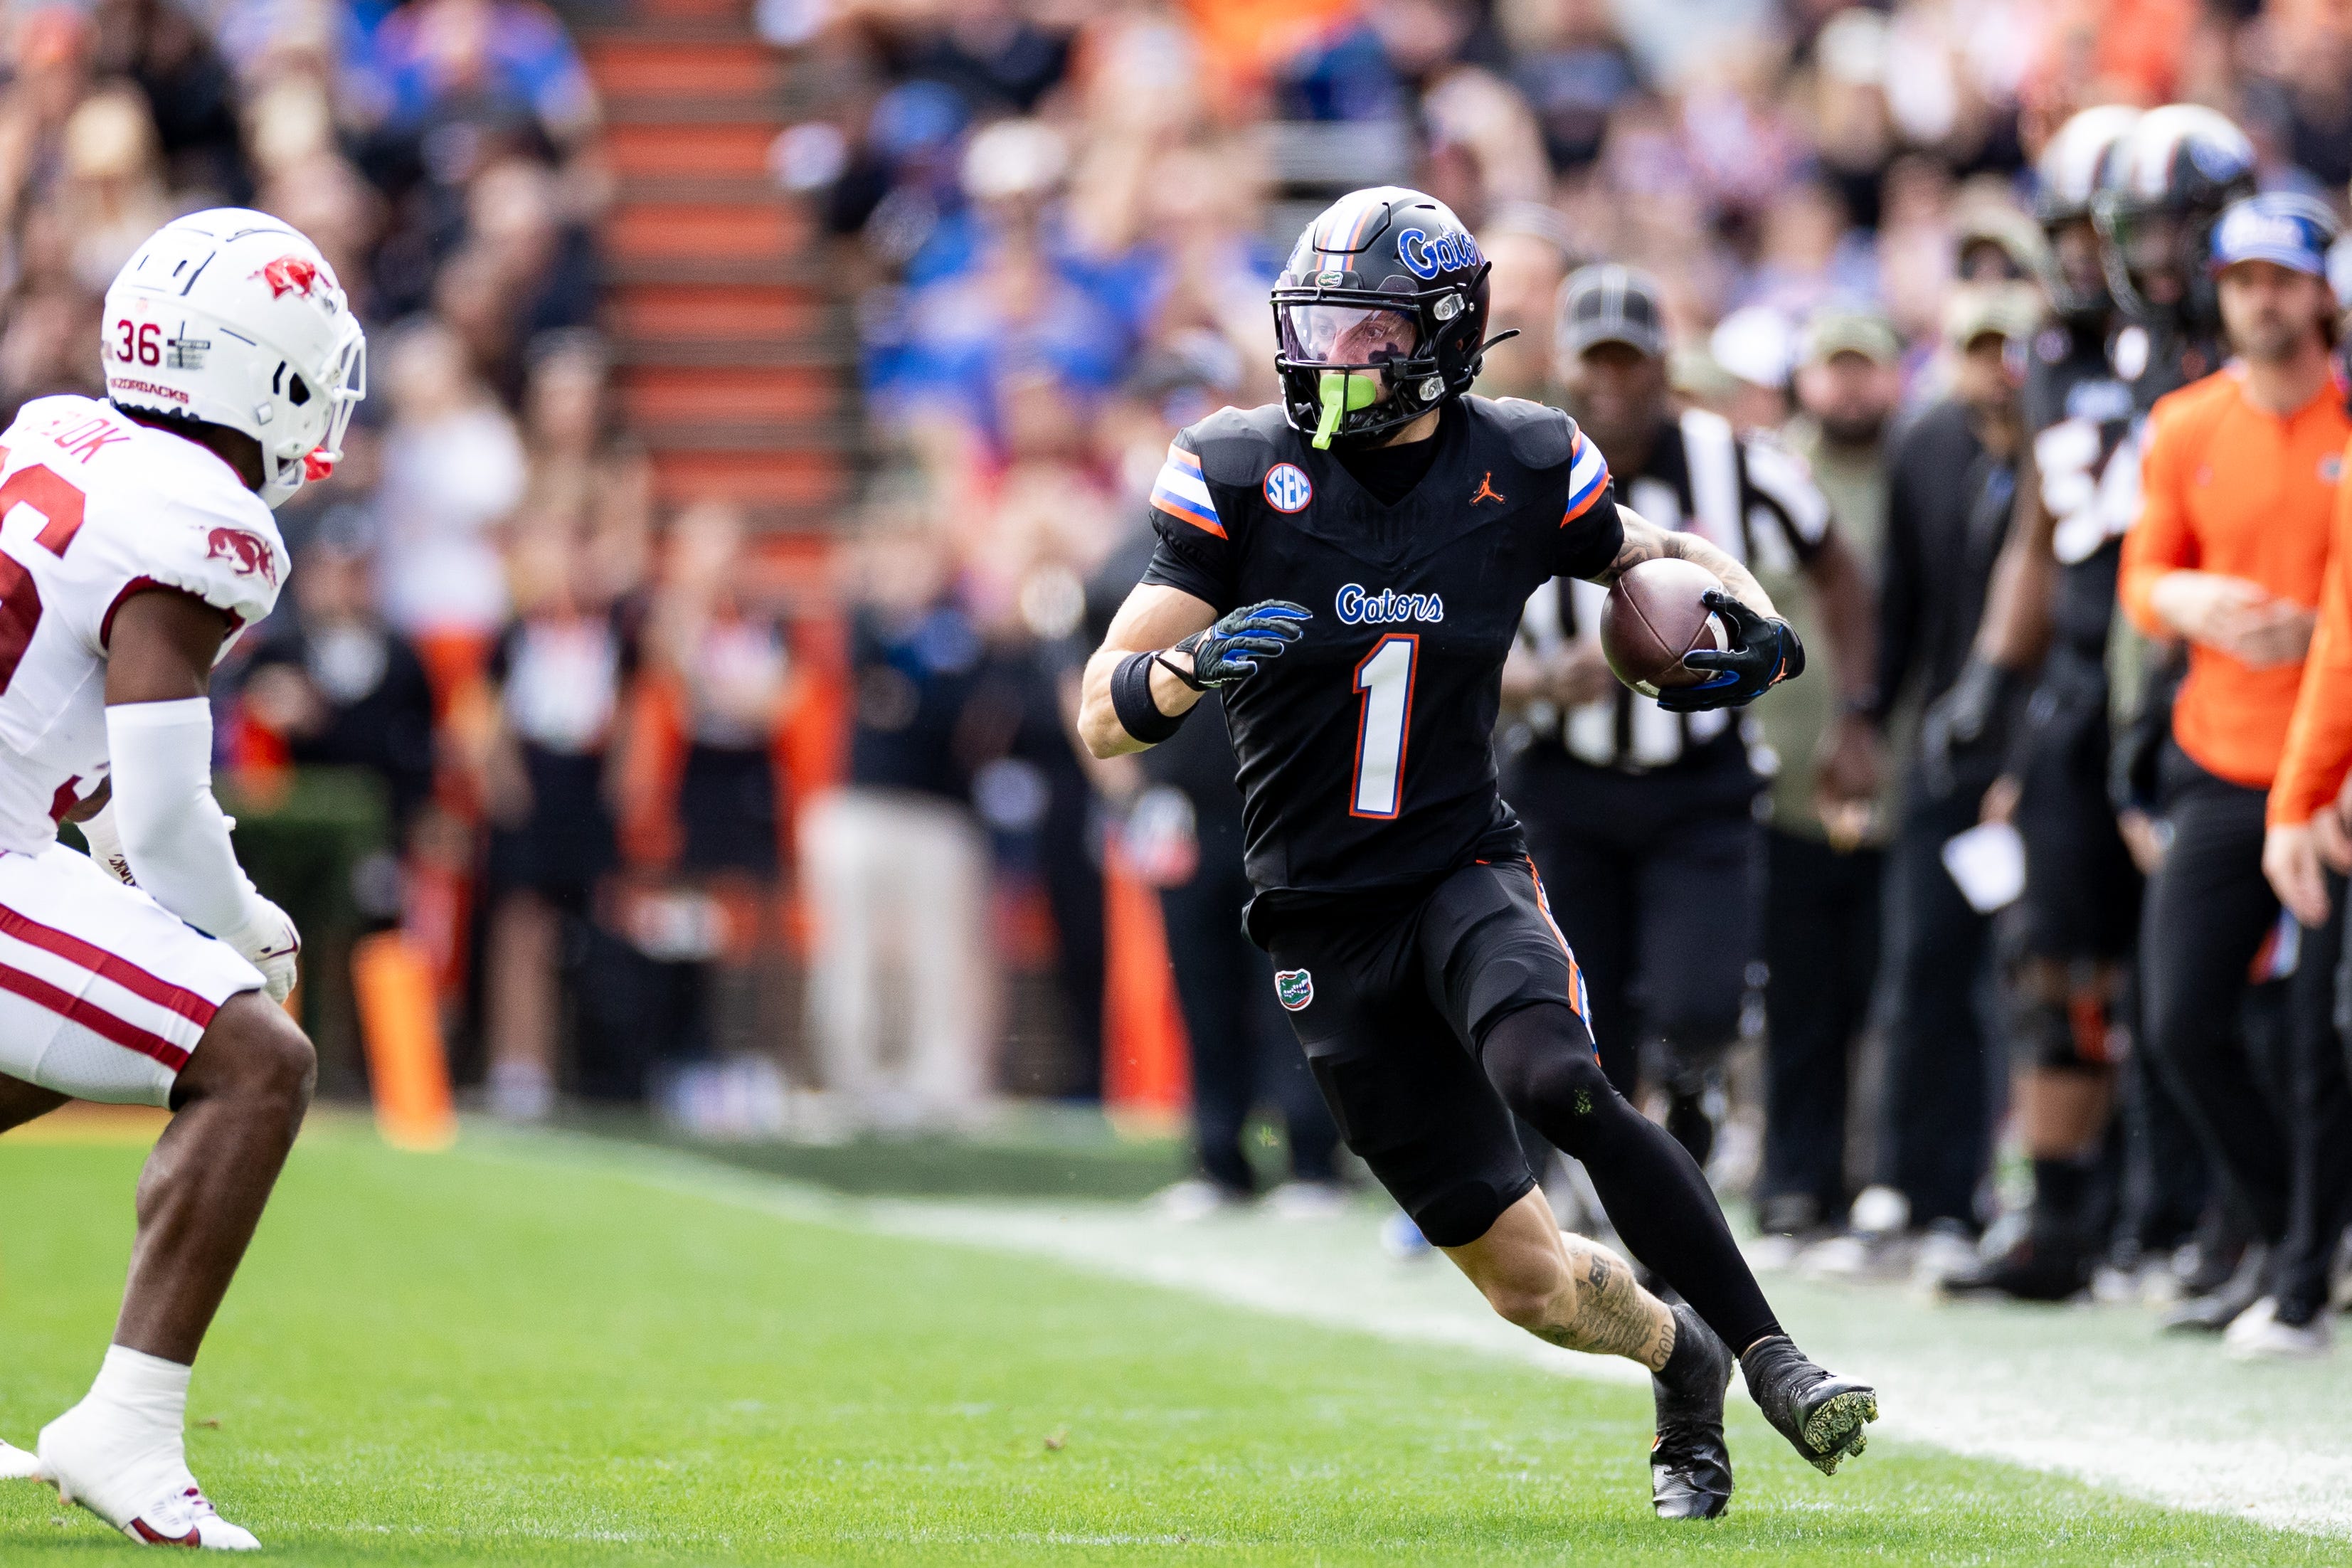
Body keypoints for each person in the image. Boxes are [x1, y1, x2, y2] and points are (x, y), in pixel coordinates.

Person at [1078, 187, 1875, 1521]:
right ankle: (1682, 1362)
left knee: (1555, 1072)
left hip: (1460, 865)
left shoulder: (1519, 460)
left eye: (1363, 332)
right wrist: (1182, 666)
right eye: (1317, 327)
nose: (1330, 357)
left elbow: (1659, 553)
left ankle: (1772, 1352)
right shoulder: (1234, 467)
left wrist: (1755, 615)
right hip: (1318, 919)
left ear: (1442, 339)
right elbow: (1098, 708)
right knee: (1530, 1283)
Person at [0, 209, 364, 1548]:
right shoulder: (201, 516)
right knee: (257, 1059)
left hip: (14, 844)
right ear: (261, 373)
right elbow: (157, 806)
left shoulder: (57, 429)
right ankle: (127, 1426)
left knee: (120, 1030)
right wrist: (247, 928)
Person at [1506, 264, 1877, 1168]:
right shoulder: (1515, 465)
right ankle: (1607, 1187)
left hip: (1700, 775)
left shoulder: (1735, 462)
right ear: (1563, 368)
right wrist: (1535, 684)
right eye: (1593, 362)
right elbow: (1451, 618)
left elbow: (1836, 565)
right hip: (1565, 777)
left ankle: (1696, 1081)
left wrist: (1855, 712)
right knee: (1580, 1016)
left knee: (1700, 1002)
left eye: (1627, 361)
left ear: (1663, 367)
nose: (1610, 382)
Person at [2119, 191, 2352, 1356]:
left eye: (2281, 277)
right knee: (2179, 1017)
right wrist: (2190, 599)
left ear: (2319, 290)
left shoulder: (2343, 427)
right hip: (2221, 753)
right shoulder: (2186, 423)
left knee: (2321, 1036)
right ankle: (2288, 1234)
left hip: (2336, 767)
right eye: (2241, 277)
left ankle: (2302, 1262)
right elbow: (2143, 574)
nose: (2260, 297)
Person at [1929, 105, 2149, 1301]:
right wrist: (1986, 674)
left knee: (2186, 967)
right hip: (2073, 682)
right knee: (2052, 954)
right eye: (2065, 230)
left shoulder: (2214, 341)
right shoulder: (2056, 351)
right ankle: (2058, 1215)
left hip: (2181, 678)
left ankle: (2186, 1215)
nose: (2084, 255)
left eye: (2105, 230)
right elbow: (2036, 525)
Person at [1845, 280, 2043, 1276]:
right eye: (1980, 349)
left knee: (2024, 979)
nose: (1996, 369)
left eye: (2013, 348)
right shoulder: (1924, 447)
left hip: (2044, 752)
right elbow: (1906, 609)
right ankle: (1917, 1187)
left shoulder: (2065, 449)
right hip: (1946, 750)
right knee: (1921, 967)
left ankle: (2007, 1189)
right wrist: (1870, 726)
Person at [1752, 306, 1904, 1241]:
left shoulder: (1920, 468)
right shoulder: (1768, 472)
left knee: (1889, 995)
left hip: (1894, 772)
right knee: (1799, 997)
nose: (1849, 387)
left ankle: (1883, 1178)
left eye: (1864, 368)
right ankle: (1796, 1177)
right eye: (1832, 368)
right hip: (1781, 776)